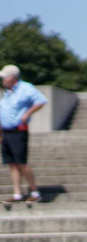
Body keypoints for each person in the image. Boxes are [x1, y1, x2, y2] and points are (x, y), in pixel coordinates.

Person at [0, 65, 47, 204]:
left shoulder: (25, 88)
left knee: (21, 162)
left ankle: (34, 191)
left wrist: (27, 113)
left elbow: (41, 100)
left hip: (18, 131)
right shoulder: (7, 93)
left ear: (12, 78)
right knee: (12, 164)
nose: (2, 79)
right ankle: (17, 194)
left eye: (4, 77)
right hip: (6, 132)